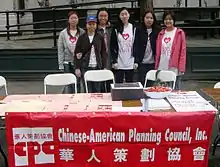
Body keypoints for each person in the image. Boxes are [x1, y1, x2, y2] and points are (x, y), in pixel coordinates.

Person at [74, 15, 107, 93]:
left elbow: (103, 53)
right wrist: (77, 67)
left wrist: (104, 66)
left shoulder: (100, 37)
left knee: (97, 90)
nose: (91, 26)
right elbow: (77, 53)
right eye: (89, 24)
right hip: (86, 67)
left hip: (97, 67)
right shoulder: (82, 38)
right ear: (86, 25)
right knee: (87, 90)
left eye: (93, 24)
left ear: (96, 25)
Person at [155, 10, 186, 90]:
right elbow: (158, 52)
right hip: (162, 65)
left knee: (174, 91)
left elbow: (183, 51)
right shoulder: (161, 33)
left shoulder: (179, 33)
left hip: (174, 67)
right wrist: (156, 65)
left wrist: (181, 67)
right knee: (161, 90)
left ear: (174, 20)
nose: (168, 21)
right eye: (166, 19)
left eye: (170, 19)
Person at [57, 10, 85, 93]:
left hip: (78, 62)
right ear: (68, 20)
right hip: (67, 62)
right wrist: (60, 64)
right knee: (68, 83)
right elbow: (60, 49)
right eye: (71, 18)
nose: (74, 20)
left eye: (75, 18)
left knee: (77, 82)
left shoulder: (82, 32)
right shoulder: (63, 33)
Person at [110, 7, 138, 83]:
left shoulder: (134, 28)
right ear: (119, 16)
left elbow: (136, 44)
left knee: (130, 84)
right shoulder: (116, 29)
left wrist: (136, 61)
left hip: (131, 62)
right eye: (122, 14)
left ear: (129, 15)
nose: (124, 16)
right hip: (119, 62)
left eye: (126, 14)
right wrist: (114, 61)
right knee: (119, 85)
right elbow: (113, 46)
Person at [134, 10, 160, 87]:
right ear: (143, 19)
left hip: (153, 63)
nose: (149, 20)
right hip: (142, 62)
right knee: (141, 83)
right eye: (147, 17)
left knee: (151, 84)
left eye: (151, 18)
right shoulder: (138, 30)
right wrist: (136, 60)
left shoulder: (158, 30)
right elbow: (136, 45)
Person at [96, 7, 112, 92]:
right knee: (100, 83)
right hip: (99, 58)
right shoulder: (95, 29)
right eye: (101, 15)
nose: (103, 18)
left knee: (110, 82)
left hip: (110, 58)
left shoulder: (111, 29)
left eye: (105, 16)